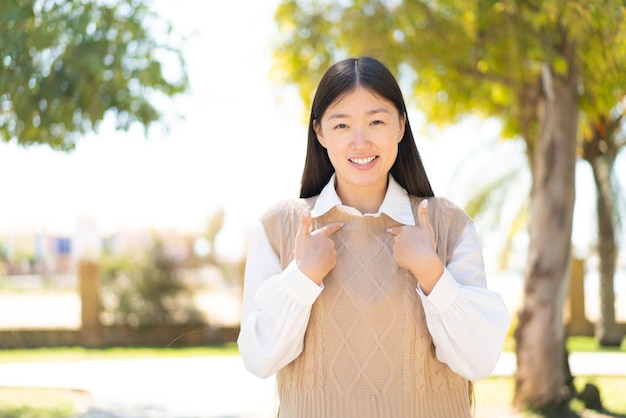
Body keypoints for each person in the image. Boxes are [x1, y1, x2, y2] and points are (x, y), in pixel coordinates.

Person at [237, 56, 510, 418]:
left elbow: (479, 361)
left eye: (376, 121)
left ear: (400, 125)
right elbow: (258, 358)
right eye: (342, 125)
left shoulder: (447, 226)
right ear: (319, 133)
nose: (360, 142)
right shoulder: (281, 228)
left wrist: (431, 271)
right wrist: (302, 278)